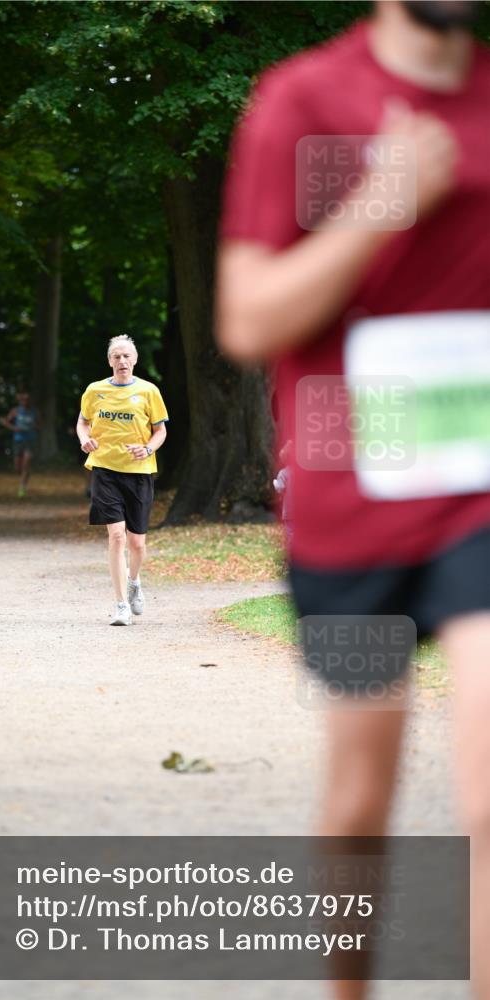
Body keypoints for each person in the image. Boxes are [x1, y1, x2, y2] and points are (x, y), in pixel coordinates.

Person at [216, 2, 489, 997]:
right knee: (356, 804)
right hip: (352, 503)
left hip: (479, 494)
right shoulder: (302, 100)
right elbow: (246, 320)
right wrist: (383, 200)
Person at [76, 335, 168, 625]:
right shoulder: (95, 390)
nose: (122, 361)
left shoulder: (149, 391)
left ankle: (134, 581)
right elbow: (83, 422)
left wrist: (149, 447)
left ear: (135, 359)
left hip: (139, 472)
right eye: (116, 356)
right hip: (105, 470)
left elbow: (160, 430)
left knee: (137, 543)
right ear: (109, 361)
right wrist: (84, 439)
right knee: (116, 536)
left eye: (127, 356)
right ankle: (120, 605)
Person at [0, 392, 39, 498]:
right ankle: (24, 475)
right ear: (21, 401)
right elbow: (5, 421)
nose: (25, 402)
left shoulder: (34, 412)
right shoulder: (15, 411)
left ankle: (22, 487)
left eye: (27, 400)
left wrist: (35, 426)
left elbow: (39, 424)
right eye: (23, 400)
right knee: (18, 466)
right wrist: (14, 428)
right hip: (18, 440)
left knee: (26, 462)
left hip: (30, 440)